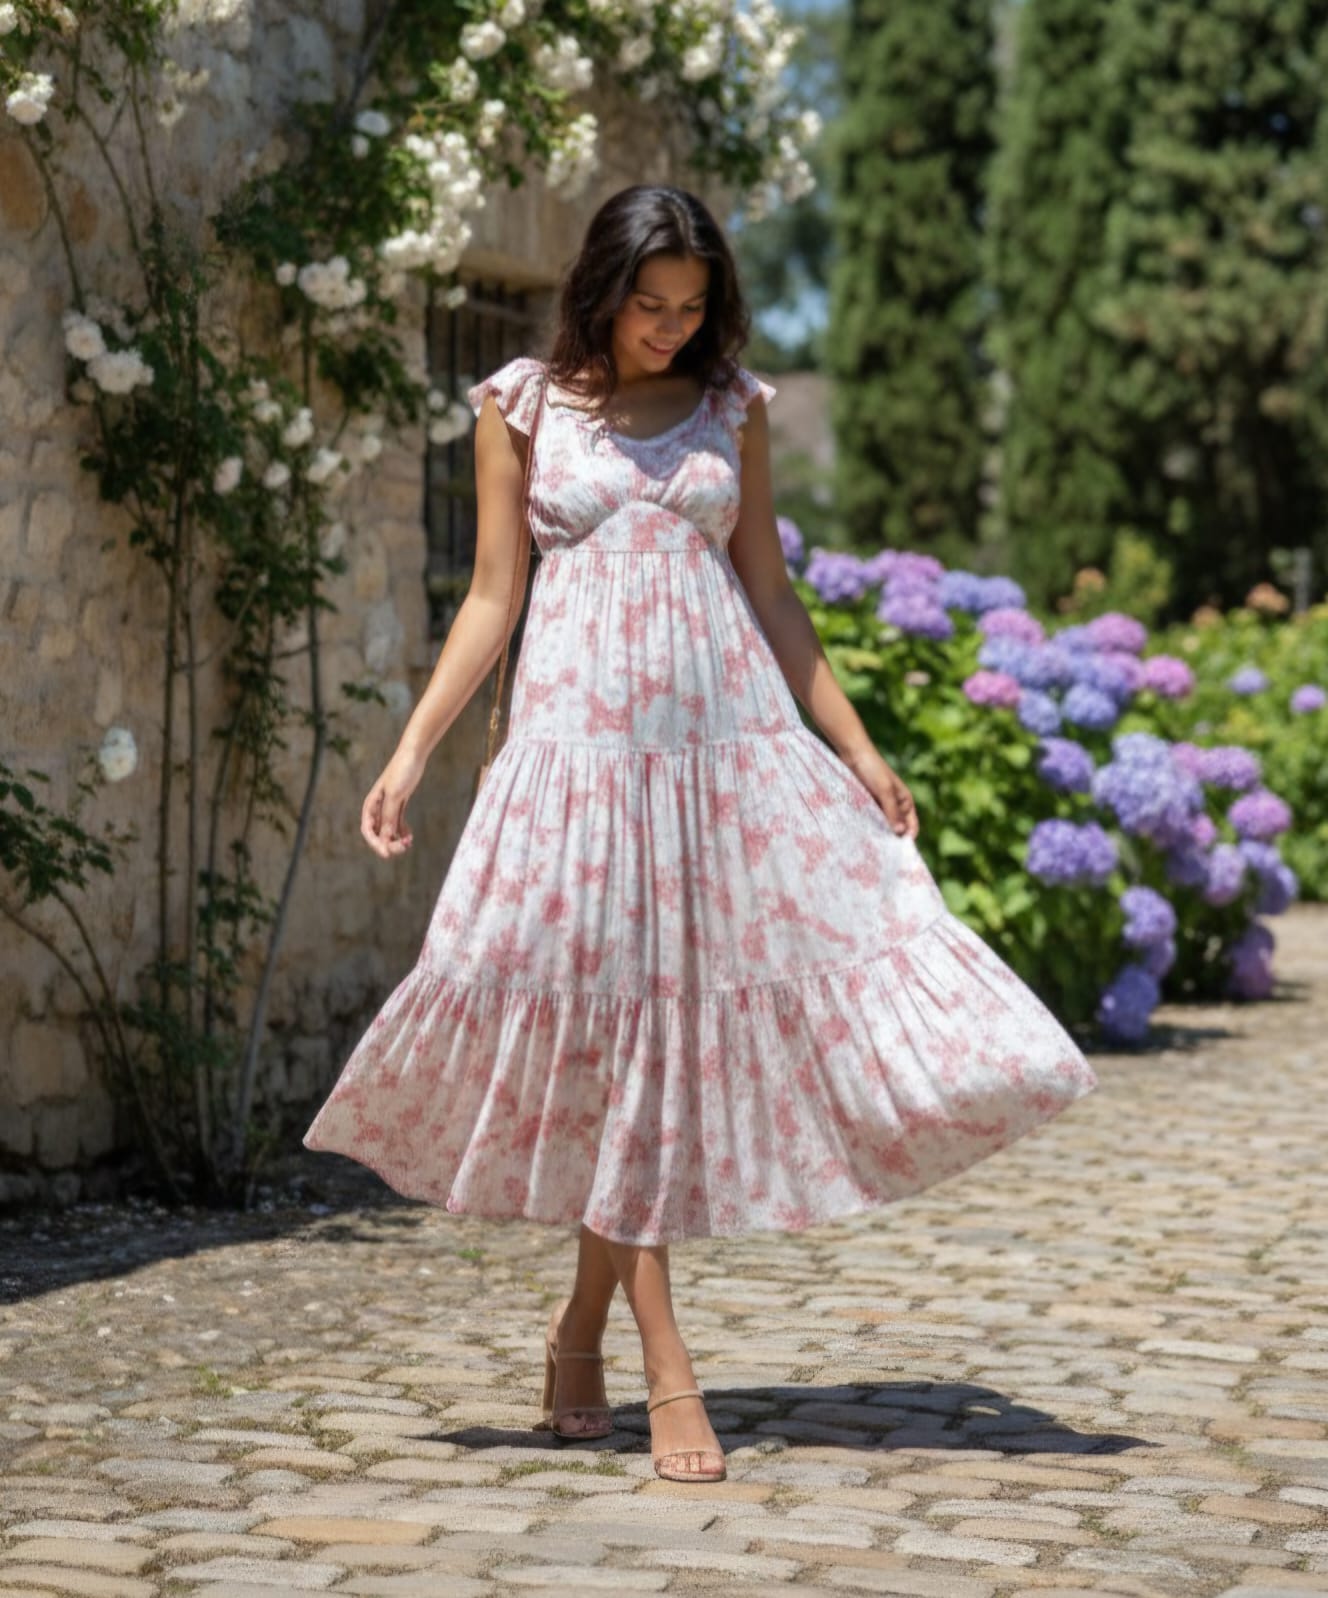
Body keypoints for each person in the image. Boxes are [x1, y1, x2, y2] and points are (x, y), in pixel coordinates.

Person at [302, 183, 1099, 1484]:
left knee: (652, 1043)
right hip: (577, 769)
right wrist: (411, 750)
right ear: (599, 289)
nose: (670, 329)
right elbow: (495, 593)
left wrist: (855, 743)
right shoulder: (520, 404)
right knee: (618, 1041)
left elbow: (771, 592)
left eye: (691, 307)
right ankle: (667, 1364)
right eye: (648, 305)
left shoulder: (736, 408)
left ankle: (581, 1335)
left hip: (720, 769)